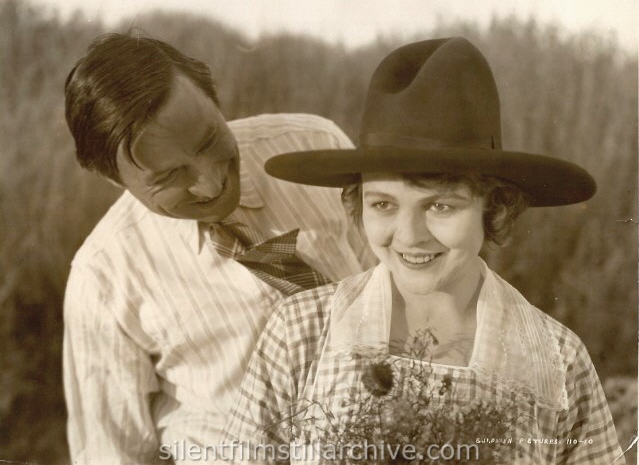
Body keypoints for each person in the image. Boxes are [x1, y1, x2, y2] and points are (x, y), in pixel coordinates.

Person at [223, 37, 623, 463]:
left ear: (495, 206)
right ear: (358, 205)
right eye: (383, 204)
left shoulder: (556, 358)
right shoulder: (300, 331)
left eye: (440, 205)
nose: (409, 235)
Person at [62, 33, 375, 464]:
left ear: (216, 102)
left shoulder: (316, 149)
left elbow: (410, 300)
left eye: (210, 139)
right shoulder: (103, 278)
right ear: (117, 181)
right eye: (170, 175)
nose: (212, 181)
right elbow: (111, 454)